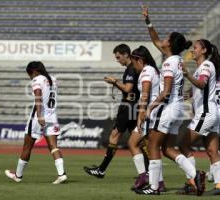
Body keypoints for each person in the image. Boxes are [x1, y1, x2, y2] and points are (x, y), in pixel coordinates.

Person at [135, 6, 205, 196]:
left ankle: (154, 187)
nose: (162, 40)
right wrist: (148, 21)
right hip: (177, 110)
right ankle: (195, 174)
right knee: (167, 148)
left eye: (166, 38)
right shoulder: (177, 59)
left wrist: (151, 106)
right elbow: (155, 39)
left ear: (170, 45)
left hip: (166, 109)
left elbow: (165, 92)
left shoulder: (168, 63)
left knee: (152, 146)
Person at [83, 44, 141, 178]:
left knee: (114, 135)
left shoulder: (131, 69)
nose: (117, 60)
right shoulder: (133, 68)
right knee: (137, 141)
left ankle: (101, 169)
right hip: (135, 106)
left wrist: (114, 81)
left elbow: (127, 89)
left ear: (126, 54)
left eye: (118, 57)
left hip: (128, 107)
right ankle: (147, 172)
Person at [5, 61, 67, 184]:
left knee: (27, 146)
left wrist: (39, 115)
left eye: (30, 74)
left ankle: (18, 176)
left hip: (38, 119)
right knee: (54, 147)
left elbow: (38, 95)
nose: (30, 77)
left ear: (34, 71)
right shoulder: (53, 79)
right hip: (52, 117)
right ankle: (62, 174)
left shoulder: (37, 79)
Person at [180, 39, 220, 195]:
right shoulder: (201, 68)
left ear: (204, 50)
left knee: (183, 145)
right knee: (212, 150)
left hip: (206, 113)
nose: (192, 50)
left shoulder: (206, 66)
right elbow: (195, 91)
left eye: (195, 48)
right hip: (211, 113)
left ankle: (193, 181)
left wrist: (186, 74)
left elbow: (201, 84)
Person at [128, 45, 165, 192]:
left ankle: (145, 176)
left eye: (133, 61)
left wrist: (141, 113)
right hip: (153, 112)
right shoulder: (152, 70)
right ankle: (157, 181)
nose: (133, 65)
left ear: (140, 60)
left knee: (138, 144)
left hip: (150, 114)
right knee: (148, 148)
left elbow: (145, 93)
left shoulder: (146, 71)